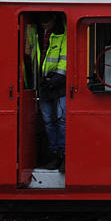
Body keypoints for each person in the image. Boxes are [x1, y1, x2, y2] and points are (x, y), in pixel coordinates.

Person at [26, 12, 67, 171]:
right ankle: (54, 152)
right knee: (48, 120)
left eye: (48, 25)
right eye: (44, 25)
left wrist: (57, 78)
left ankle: (63, 153)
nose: (46, 27)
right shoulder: (34, 32)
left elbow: (65, 58)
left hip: (58, 83)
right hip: (42, 83)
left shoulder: (63, 33)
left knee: (61, 120)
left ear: (54, 19)